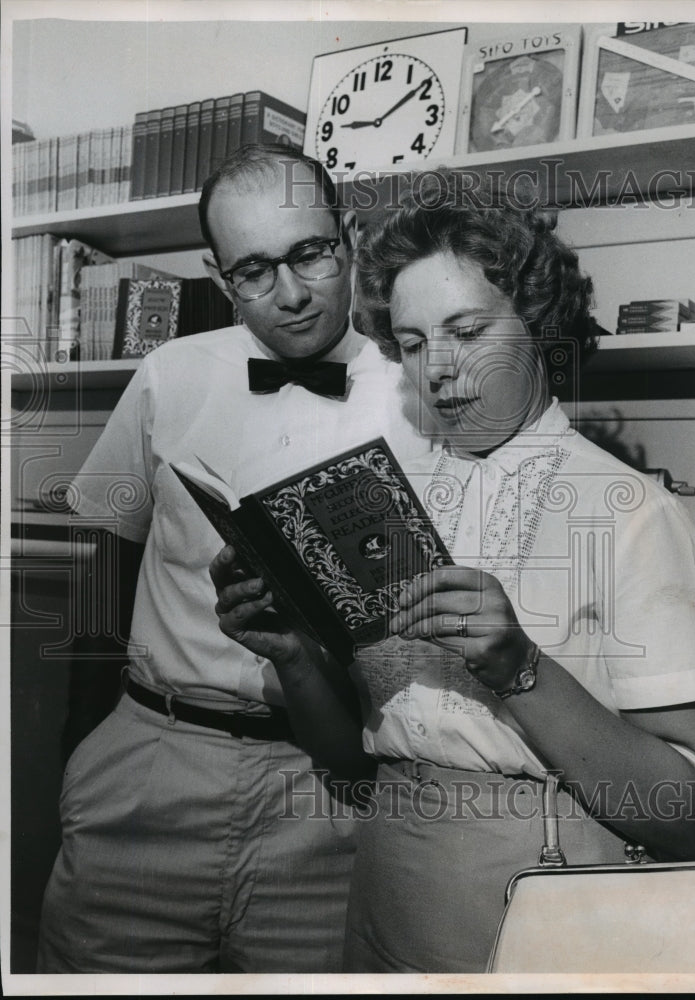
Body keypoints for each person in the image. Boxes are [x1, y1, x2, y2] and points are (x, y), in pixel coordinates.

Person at [210, 170, 695, 973]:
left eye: (467, 331)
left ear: (536, 324)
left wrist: (521, 668)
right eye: (412, 344)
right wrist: (290, 656)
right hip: (384, 877)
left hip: (542, 893)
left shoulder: (628, 510)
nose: (436, 370)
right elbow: (352, 761)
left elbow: (691, 815)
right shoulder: (390, 503)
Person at [36, 143, 429, 974]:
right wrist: (80, 750)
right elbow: (105, 564)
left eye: (309, 254)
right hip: (152, 760)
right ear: (221, 278)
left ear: (349, 237)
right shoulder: (168, 374)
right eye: (254, 271)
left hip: (334, 787)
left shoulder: (419, 391)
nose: (288, 296)